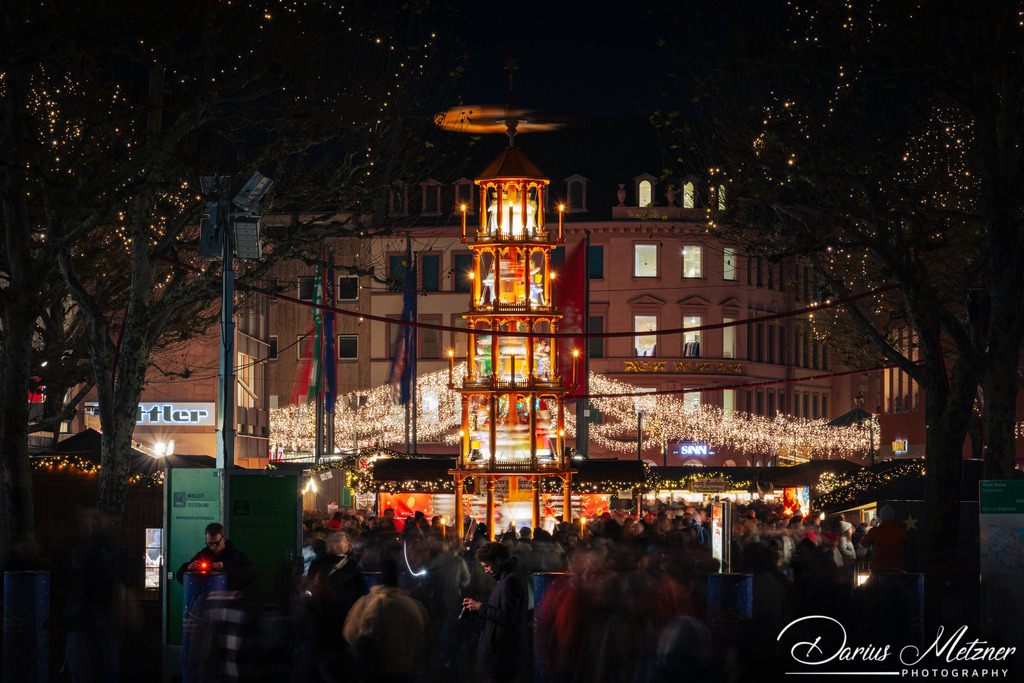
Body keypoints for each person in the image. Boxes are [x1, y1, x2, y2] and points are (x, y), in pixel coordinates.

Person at [343, 558, 428, 683]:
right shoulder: (413, 606)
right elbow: (420, 636)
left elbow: (350, 634)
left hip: (374, 670)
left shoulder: (366, 603)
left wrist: (360, 656)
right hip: (402, 671)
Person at [462, 541, 528, 683]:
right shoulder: (509, 577)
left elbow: (507, 616)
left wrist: (480, 608)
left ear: (497, 560)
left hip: (501, 654)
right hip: (502, 652)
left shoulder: (510, 581)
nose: (485, 570)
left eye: (487, 566)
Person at [175, 522, 254, 591]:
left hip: (229, 604)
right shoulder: (202, 555)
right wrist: (188, 568)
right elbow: (180, 578)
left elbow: (249, 577)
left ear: (224, 538)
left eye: (216, 543)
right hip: (206, 603)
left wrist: (226, 568)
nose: (213, 547)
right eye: (209, 544)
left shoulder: (238, 556)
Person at [860, 505, 907, 574]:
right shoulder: (901, 530)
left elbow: (864, 544)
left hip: (879, 570)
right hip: (897, 569)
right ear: (893, 516)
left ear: (881, 517)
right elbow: (905, 543)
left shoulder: (874, 531)